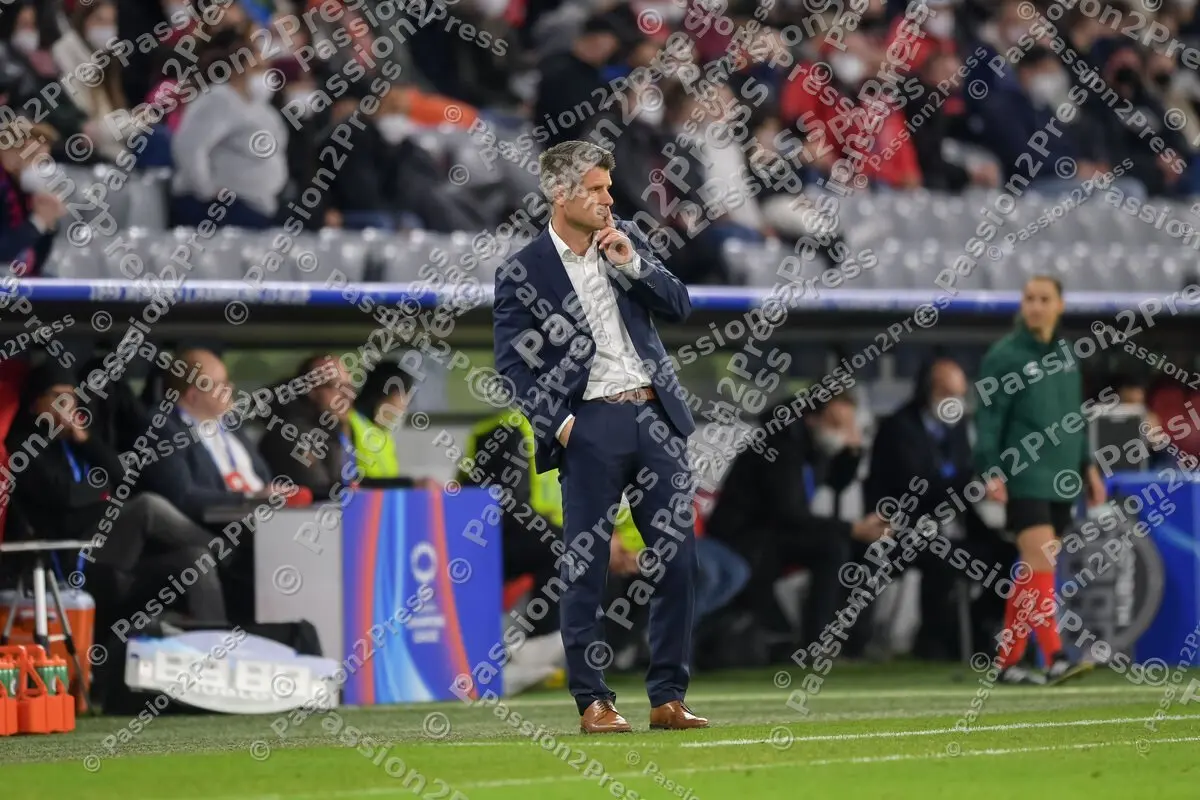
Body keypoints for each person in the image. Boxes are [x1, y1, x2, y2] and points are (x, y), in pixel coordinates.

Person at [492, 140, 705, 734]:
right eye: (597, 188)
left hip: (654, 416)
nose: (610, 198)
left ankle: (668, 696)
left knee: (678, 560)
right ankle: (594, 702)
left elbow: (679, 305)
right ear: (561, 194)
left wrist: (633, 264)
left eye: (610, 187)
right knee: (585, 567)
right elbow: (514, 365)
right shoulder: (523, 271)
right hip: (588, 423)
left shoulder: (626, 240)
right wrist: (562, 425)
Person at [4, 361, 228, 636]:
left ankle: (215, 647)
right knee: (147, 506)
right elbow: (65, 496)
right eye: (57, 398)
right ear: (35, 404)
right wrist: (104, 492)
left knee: (196, 558)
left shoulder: (78, 442)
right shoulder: (22, 446)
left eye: (71, 398)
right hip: (75, 555)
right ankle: (227, 554)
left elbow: (122, 476)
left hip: (113, 545)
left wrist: (84, 440)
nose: (67, 406)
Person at [975, 275, 1107, 685]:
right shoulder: (1005, 355)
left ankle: (1007, 662)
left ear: (1060, 306)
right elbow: (988, 416)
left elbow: (1075, 416)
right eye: (1029, 298)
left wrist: (1088, 465)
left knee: (1034, 570)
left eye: (1044, 299)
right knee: (1042, 562)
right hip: (1025, 473)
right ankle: (1054, 656)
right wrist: (990, 467)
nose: (1035, 306)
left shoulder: (1067, 355)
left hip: (1062, 474)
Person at [707, 393, 890, 660]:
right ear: (813, 418)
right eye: (837, 424)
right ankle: (814, 644)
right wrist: (851, 528)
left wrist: (853, 448)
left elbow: (837, 482)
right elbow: (790, 513)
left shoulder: (809, 447)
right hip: (746, 540)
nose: (841, 433)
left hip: (776, 535)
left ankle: (855, 642)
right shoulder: (780, 448)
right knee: (832, 548)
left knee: (862, 548)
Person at [865, 358, 1002, 660]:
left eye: (960, 393)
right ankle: (934, 644)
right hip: (903, 530)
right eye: (948, 392)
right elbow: (915, 489)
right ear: (928, 391)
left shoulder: (956, 430)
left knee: (1004, 554)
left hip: (952, 526)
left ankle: (978, 635)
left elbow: (961, 479)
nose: (956, 401)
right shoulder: (899, 428)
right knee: (943, 563)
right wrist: (972, 482)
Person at [138, 349, 280, 524]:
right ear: (193, 396)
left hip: (264, 516)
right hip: (218, 525)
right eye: (222, 384)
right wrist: (249, 498)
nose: (231, 388)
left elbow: (262, 477)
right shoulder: (163, 428)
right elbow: (182, 495)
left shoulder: (231, 421)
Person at [170, 27, 289, 227]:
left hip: (259, 204)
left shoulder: (265, 110)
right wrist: (206, 189)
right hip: (215, 206)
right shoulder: (218, 100)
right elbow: (188, 146)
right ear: (237, 70)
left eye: (266, 68)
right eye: (257, 68)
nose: (264, 76)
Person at [258, 354, 355, 500]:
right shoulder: (293, 433)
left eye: (349, 386)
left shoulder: (334, 428)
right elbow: (318, 490)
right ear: (312, 391)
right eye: (336, 386)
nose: (347, 395)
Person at [0, 118, 66, 275]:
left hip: (18, 275)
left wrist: (48, 224)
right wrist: (37, 222)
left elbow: (37, 261)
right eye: (34, 158)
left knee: (53, 279)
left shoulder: (23, 189)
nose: (38, 169)